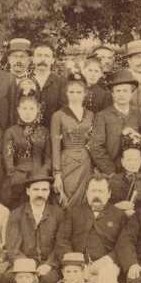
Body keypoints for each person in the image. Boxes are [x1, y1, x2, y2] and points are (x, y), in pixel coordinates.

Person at [56, 174, 137, 283]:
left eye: (101, 191)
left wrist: (108, 259)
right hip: (78, 264)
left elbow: (124, 244)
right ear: (87, 192)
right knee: (75, 276)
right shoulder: (74, 212)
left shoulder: (118, 215)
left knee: (107, 275)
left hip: (107, 264)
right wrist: (76, 262)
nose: (96, 195)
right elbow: (62, 241)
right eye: (93, 190)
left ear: (109, 193)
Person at [4, 172, 65, 283]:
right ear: (28, 191)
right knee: (8, 278)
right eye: (36, 190)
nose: (40, 194)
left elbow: (60, 244)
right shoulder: (16, 214)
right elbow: (12, 248)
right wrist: (28, 269)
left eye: (44, 190)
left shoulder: (58, 214)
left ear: (48, 192)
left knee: (49, 280)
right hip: (23, 263)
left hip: (48, 264)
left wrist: (49, 264)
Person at [50, 78, 97, 210]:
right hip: (67, 163)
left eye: (78, 92)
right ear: (67, 94)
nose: (75, 95)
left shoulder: (91, 115)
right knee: (66, 201)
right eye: (72, 92)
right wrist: (57, 174)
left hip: (86, 162)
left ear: (85, 94)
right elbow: (55, 146)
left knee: (84, 201)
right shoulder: (58, 115)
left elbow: (92, 140)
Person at [92, 68, 141, 178]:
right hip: (111, 172)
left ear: (131, 93)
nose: (121, 94)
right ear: (112, 94)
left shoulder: (137, 115)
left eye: (125, 90)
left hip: (134, 170)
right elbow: (96, 148)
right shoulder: (102, 116)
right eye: (118, 91)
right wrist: (111, 172)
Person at [1, 91, 51, 206]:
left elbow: (48, 157)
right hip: (17, 177)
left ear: (37, 110)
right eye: (24, 109)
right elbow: (7, 158)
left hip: (40, 176)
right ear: (18, 110)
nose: (27, 113)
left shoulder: (44, 131)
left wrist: (43, 173)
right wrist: (14, 174)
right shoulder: (11, 132)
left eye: (31, 109)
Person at [29, 41, 67, 125]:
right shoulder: (25, 80)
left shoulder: (61, 82)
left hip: (52, 131)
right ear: (32, 59)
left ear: (53, 60)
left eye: (47, 56)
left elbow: (64, 112)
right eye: (39, 55)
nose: (42, 59)